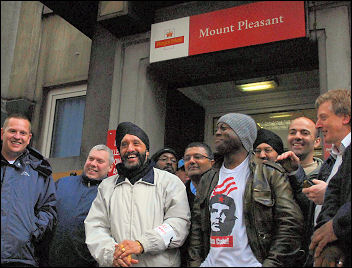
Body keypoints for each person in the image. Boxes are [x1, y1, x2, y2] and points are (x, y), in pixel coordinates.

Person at [188, 113, 304, 267]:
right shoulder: (207, 178)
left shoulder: (269, 173)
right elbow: (197, 227)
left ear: (242, 134)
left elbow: (290, 222)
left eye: (224, 128)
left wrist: (272, 264)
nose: (217, 132)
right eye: (217, 128)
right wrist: (196, 264)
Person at [84, 122, 190, 267]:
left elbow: (178, 224)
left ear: (147, 150)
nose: (130, 149)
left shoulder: (169, 182)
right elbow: (96, 226)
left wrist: (142, 244)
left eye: (136, 143)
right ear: (120, 152)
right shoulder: (107, 186)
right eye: (124, 144)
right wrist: (112, 254)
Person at [1, 113, 57, 267]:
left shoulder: (40, 172)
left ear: (29, 138)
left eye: (22, 133)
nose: (17, 137)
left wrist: (32, 232)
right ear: (2, 133)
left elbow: (49, 209)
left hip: (21, 258)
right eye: (12, 131)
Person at [48, 144, 114, 267]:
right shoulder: (63, 183)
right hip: (51, 261)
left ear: (110, 167)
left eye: (100, 161)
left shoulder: (112, 192)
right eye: (91, 159)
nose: (93, 164)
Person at [307, 89, 351, 267]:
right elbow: (333, 196)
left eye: (323, 117)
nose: (317, 125)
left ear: (345, 118)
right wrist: (325, 244)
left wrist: (336, 227)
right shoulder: (334, 159)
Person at [276, 116, 324, 265]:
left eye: (304, 132)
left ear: (317, 142)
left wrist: (296, 173)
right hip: (279, 256)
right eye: (293, 132)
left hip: (312, 256)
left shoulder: (328, 174)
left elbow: (311, 207)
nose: (297, 137)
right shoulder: (274, 173)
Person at [179, 142, 214, 267]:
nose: (191, 161)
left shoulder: (223, 194)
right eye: (187, 159)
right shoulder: (177, 195)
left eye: (198, 157)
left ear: (212, 163)